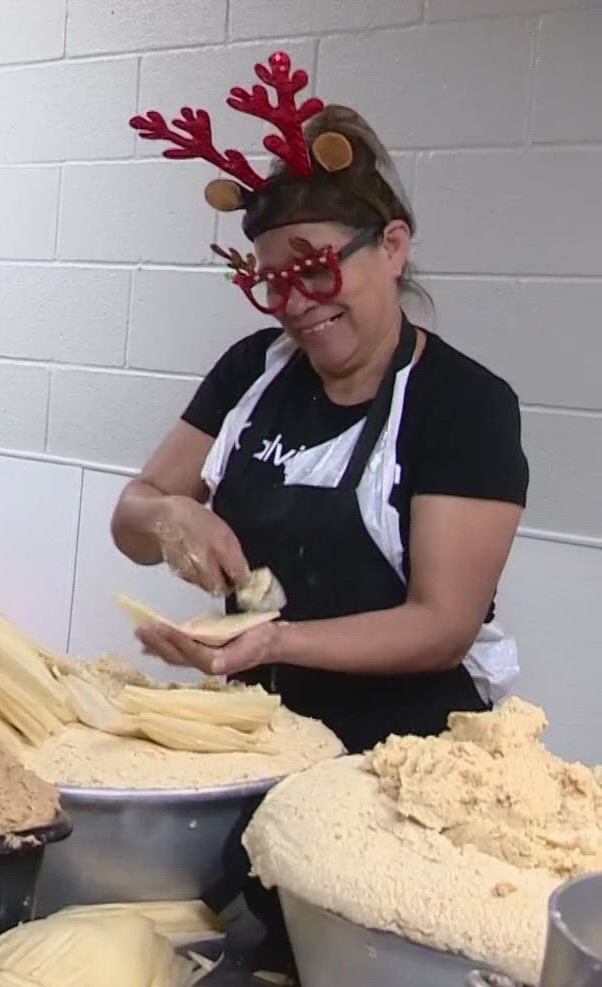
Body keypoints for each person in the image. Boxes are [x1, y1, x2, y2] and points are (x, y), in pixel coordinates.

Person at [111, 52, 528, 754]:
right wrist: (170, 514)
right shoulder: (254, 369)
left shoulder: (464, 405)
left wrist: (276, 640)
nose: (295, 306)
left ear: (392, 247)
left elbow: (442, 623)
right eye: (271, 283)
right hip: (264, 734)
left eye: (313, 269)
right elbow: (131, 520)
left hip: (408, 750)